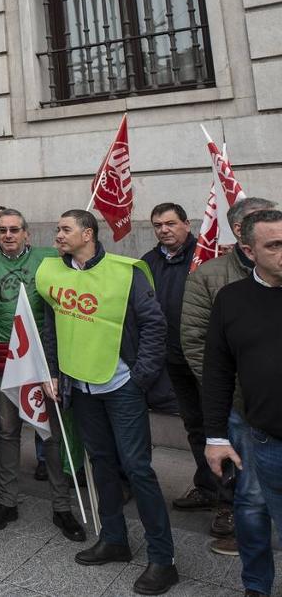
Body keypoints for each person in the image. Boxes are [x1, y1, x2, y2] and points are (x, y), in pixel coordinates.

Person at [36, 210, 176, 595]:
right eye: (58, 228)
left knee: (137, 468)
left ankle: (163, 559)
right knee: (100, 463)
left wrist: (139, 377)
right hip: (80, 389)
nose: (58, 235)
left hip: (121, 387)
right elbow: (51, 328)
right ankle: (114, 539)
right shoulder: (52, 273)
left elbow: (154, 324)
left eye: (65, 229)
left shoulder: (125, 271)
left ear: (88, 233)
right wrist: (52, 370)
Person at [0, 209, 85, 541]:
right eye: (3, 230)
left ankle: (62, 506)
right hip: (6, 363)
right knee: (6, 434)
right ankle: (7, 501)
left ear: (27, 233)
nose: (8, 235)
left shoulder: (51, 258)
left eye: (15, 229)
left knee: (51, 434)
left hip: (46, 362)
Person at [181, 196, 277, 569]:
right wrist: (232, 399)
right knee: (251, 495)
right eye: (266, 231)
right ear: (242, 235)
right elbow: (199, 346)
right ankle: (256, 579)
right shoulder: (210, 280)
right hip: (242, 411)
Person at [203, 208, 282, 597]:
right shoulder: (230, 300)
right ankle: (256, 586)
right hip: (266, 440)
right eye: (275, 245)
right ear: (249, 251)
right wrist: (216, 435)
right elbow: (216, 371)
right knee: (254, 512)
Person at [139, 204, 218, 516]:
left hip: (207, 359)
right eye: (157, 224)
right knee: (195, 427)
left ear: (187, 224)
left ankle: (229, 502)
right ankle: (208, 488)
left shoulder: (206, 258)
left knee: (218, 429)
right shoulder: (148, 261)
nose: (164, 230)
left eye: (170, 223)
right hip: (172, 358)